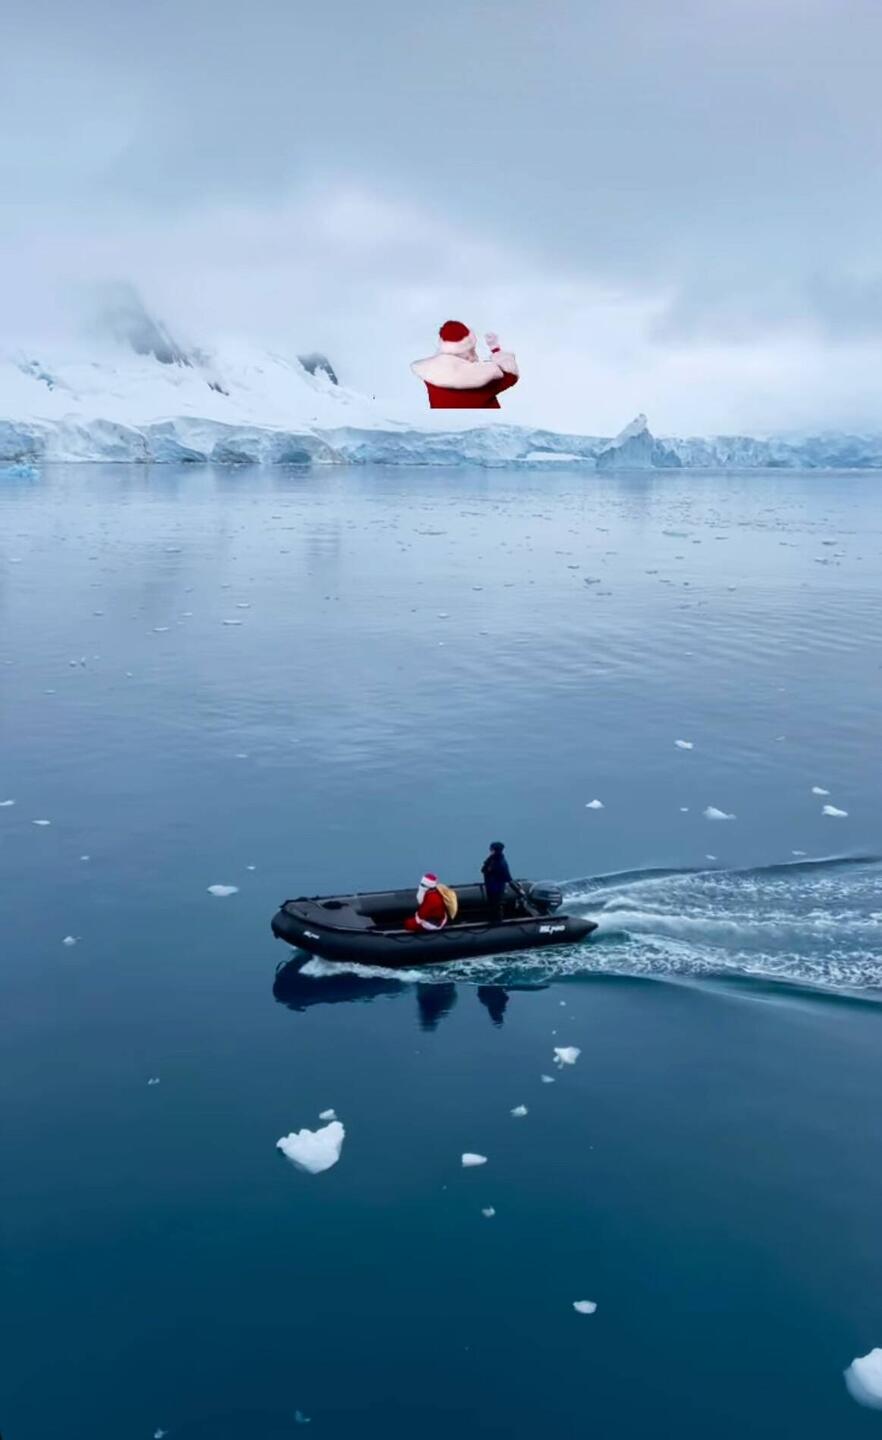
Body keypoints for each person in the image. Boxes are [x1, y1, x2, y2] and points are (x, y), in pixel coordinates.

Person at [411, 320, 519, 409]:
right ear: (469, 351)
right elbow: (510, 376)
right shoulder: (482, 379)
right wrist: (495, 349)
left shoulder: (430, 374)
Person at [481, 841, 517, 924]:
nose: (491, 851)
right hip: (490, 887)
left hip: (497, 888)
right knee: (491, 905)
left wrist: (516, 888)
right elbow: (483, 870)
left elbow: (508, 877)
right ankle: (492, 920)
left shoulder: (501, 863)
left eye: (492, 849)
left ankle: (498, 922)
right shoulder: (490, 859)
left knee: (496, 905)